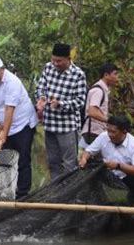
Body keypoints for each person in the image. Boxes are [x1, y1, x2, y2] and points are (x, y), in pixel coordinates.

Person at [0, 56, 38, 199]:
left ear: (2, 69)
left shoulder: (12, 82)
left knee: (22, 158)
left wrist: (3, 136)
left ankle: (23, 194)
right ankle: (7, 190)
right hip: (5, 125)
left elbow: (9, 110)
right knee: (5, 160)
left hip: (22, 124)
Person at [35, 43, 87, 181]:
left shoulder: (78, 75)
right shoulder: (48, 67)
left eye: (59, 61)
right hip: (50, 124)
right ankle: (56, 193)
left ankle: (70, 195)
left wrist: (61, 104)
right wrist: (41, 98)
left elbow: (80, 101)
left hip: (67, 126)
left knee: (69, 163)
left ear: (68, 59)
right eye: (53, 60)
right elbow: (41, 87)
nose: (55, 63)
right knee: (53, 162)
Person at [78, 115, 134, 205]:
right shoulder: (103, 136)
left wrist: (118, 166)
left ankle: (133, 199)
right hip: (107, 175)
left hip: (126, 177)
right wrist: (84, 159)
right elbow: (88, 151)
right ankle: (93, 198)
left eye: (113, 132)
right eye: (108, 131)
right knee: (89, 164)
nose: (110, 134)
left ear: (124, 131)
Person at [80, 62, 119, 147]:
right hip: (93, 133)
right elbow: (92, 111)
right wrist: (110, 121)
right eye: (115, 74)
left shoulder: (102, 90)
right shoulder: (98, 91)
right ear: (106, 75)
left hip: (95, 132)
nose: (117, 77)